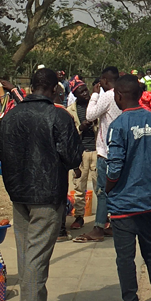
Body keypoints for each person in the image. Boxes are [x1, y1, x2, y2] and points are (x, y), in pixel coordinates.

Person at [0, 68, 83, 301]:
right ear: (55, 88)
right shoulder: (58, 116)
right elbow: (72, 157)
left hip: (19, 191)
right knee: (37, 253)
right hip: (46, 192)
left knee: (26, 251)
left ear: (32, 86)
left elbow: (2, 152)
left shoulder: (11, 116)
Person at [103, 75, 151, 301]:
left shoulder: (118, 126)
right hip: (150, 201)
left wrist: (109, 189)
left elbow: (114, 168)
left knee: (125, 258)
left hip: (124, 203)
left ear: (119, 96)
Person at [74, 66, 122, 243]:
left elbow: (90, 114)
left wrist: (95, 95)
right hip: (119, 150)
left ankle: (99, 227)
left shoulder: (108, 95)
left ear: (105, 80)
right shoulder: (122, 94)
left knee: (103, 190)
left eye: (101, 80)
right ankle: (114, 224)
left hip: (105, 150)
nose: (99, 83)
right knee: (116, 190)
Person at [66, 80, 97, 230]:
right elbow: (67, 133)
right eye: (82, 92)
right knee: (79, 186)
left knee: (101, 186)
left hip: (97, 151)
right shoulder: (70, 110)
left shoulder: (95, 106)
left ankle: (105, 218)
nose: (86, 94)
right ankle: (79, 216)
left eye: (86, 90)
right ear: (75, 94)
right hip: (81, 152)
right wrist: (80, 127)